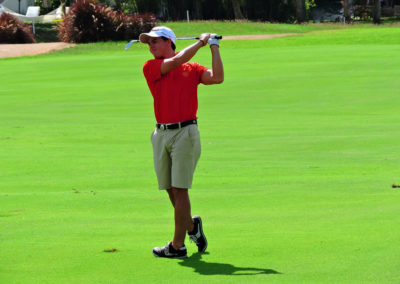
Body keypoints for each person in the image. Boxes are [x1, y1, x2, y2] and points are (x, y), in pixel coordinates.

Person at [139, 26, 224, 258]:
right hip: (161, 134)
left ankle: (178, 246)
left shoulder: (192, 68)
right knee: (169, 189)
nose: (151, 45)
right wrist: (200, 43)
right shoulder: (151, 66)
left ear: (170, 42)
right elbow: (177, 60)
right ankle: (191, 227)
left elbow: (217, 78)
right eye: (149, 42)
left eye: (155, 41)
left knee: (180, 188)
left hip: (186, 132)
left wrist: (214, 47)